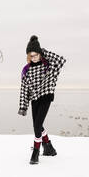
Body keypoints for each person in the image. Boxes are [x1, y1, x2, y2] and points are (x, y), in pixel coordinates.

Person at [18, 35, 67, 165]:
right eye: (30, 56)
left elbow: (61, 60)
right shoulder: (26, 70)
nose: (33, 58)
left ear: (39, 54)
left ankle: (36, 152)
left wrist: (43, 51)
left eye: (35, 55)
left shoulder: (49, 66)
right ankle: (49, 147)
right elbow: (24, 89)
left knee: (37, 125)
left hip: (46, 96)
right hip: (35, 99)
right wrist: (23, 106)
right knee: (37, 125)